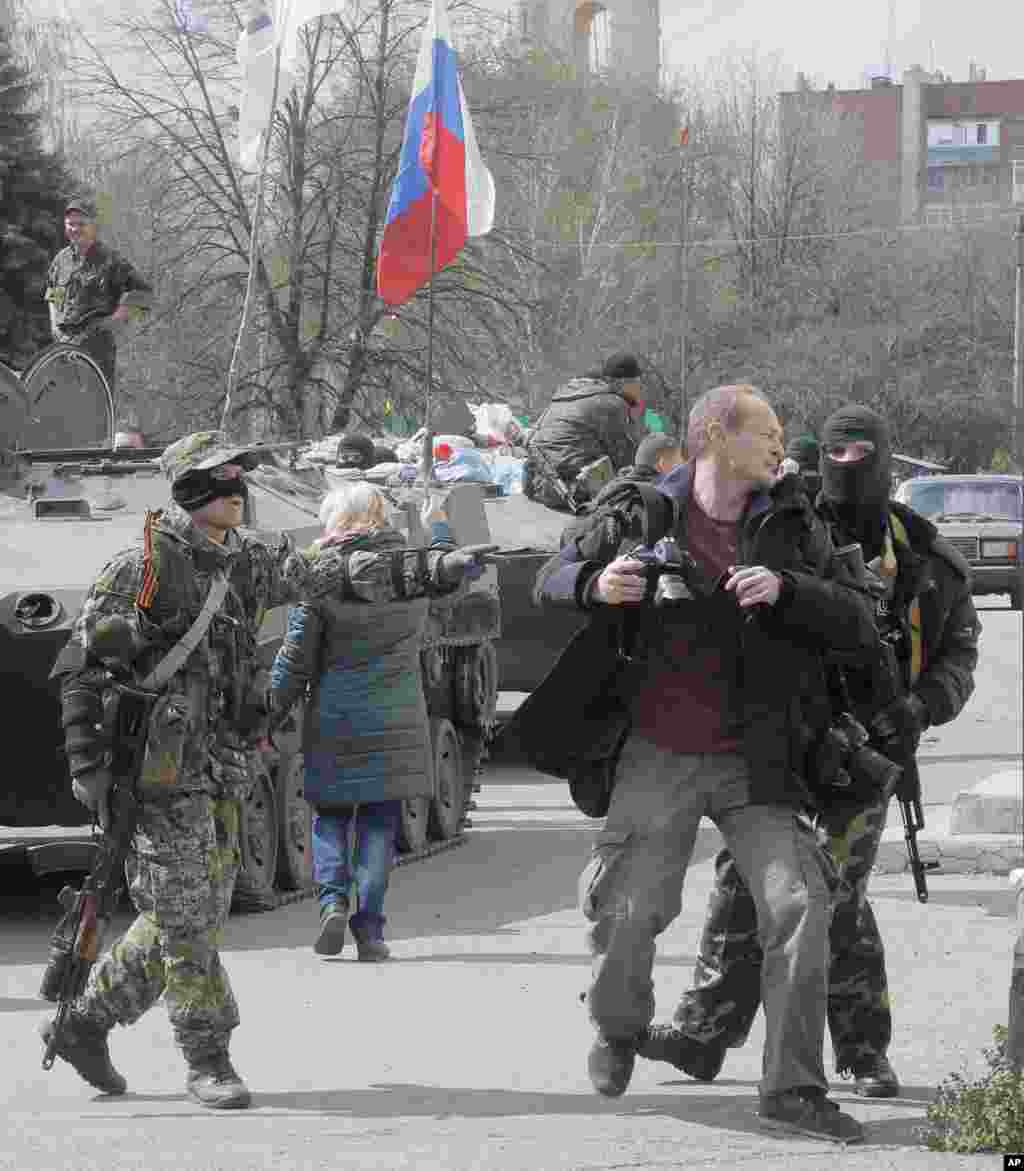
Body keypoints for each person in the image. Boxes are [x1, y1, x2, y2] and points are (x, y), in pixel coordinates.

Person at [44, 430, 494, 1109]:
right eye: (222, 476)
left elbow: (336, 573)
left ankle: (84, 1023)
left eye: (239, 474)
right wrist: (88, 766)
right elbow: (80, 669)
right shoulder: (141, 567)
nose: (237, 486)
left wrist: (429, 569)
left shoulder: (250, 561)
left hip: (222, 763)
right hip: (156, 775)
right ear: (191, 489)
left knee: (186, 913)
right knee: (188, 918)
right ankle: (208, 1056)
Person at [520, 384, 880, 1143]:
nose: (782, 445)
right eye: (768, 431)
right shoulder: (640, 511)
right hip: (659, 750)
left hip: (760, 760)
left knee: (799, 904)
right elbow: (549, 578)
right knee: (628, 910)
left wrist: (791, 590)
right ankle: (617, 1027)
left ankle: (791, 1089)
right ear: (716, 435)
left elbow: (858, 618)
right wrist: (598, 583)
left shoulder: (792, 522)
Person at [640, 404, 980, 1098]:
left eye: (865, 457)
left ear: (885, 461)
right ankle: (704, 1032)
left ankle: (860, 1050)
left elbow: (957, 655)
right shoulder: (787, 525)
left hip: (869, 748)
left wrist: (918, 708)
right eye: (838, 458)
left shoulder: (924, 557)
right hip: (785, 736)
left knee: (833, 889)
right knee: (741, 877)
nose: (850, 472)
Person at [269, 484, 488, 960]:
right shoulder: (411, 574)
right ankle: (370, 930)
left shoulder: (322, 577)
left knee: (329, 816)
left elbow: (296, 658)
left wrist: (269, 707)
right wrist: (439, 524)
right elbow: (447, 574)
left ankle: (331, 903)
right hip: (398, 715)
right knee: (378, 825)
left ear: (338, 523)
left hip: (336, 717)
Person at [44, 197, 152, 395]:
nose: (75, 229)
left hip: (97, 349)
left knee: (94, 409)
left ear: (93, 226)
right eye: (70, 224)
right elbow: (53, 294)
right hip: (63, 347)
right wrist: (54, 325)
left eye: (81, 224)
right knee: (62, 406)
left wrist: (117, 319)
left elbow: (145, 296)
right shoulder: (61, 260)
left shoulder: (111, 260)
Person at [524, 352, 646, 511]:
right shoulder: (612, 403)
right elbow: (628, 461)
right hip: (570, 492)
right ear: (622, 382)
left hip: (539, 485)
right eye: (637, 382)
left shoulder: (569, 394)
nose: (640, 389)